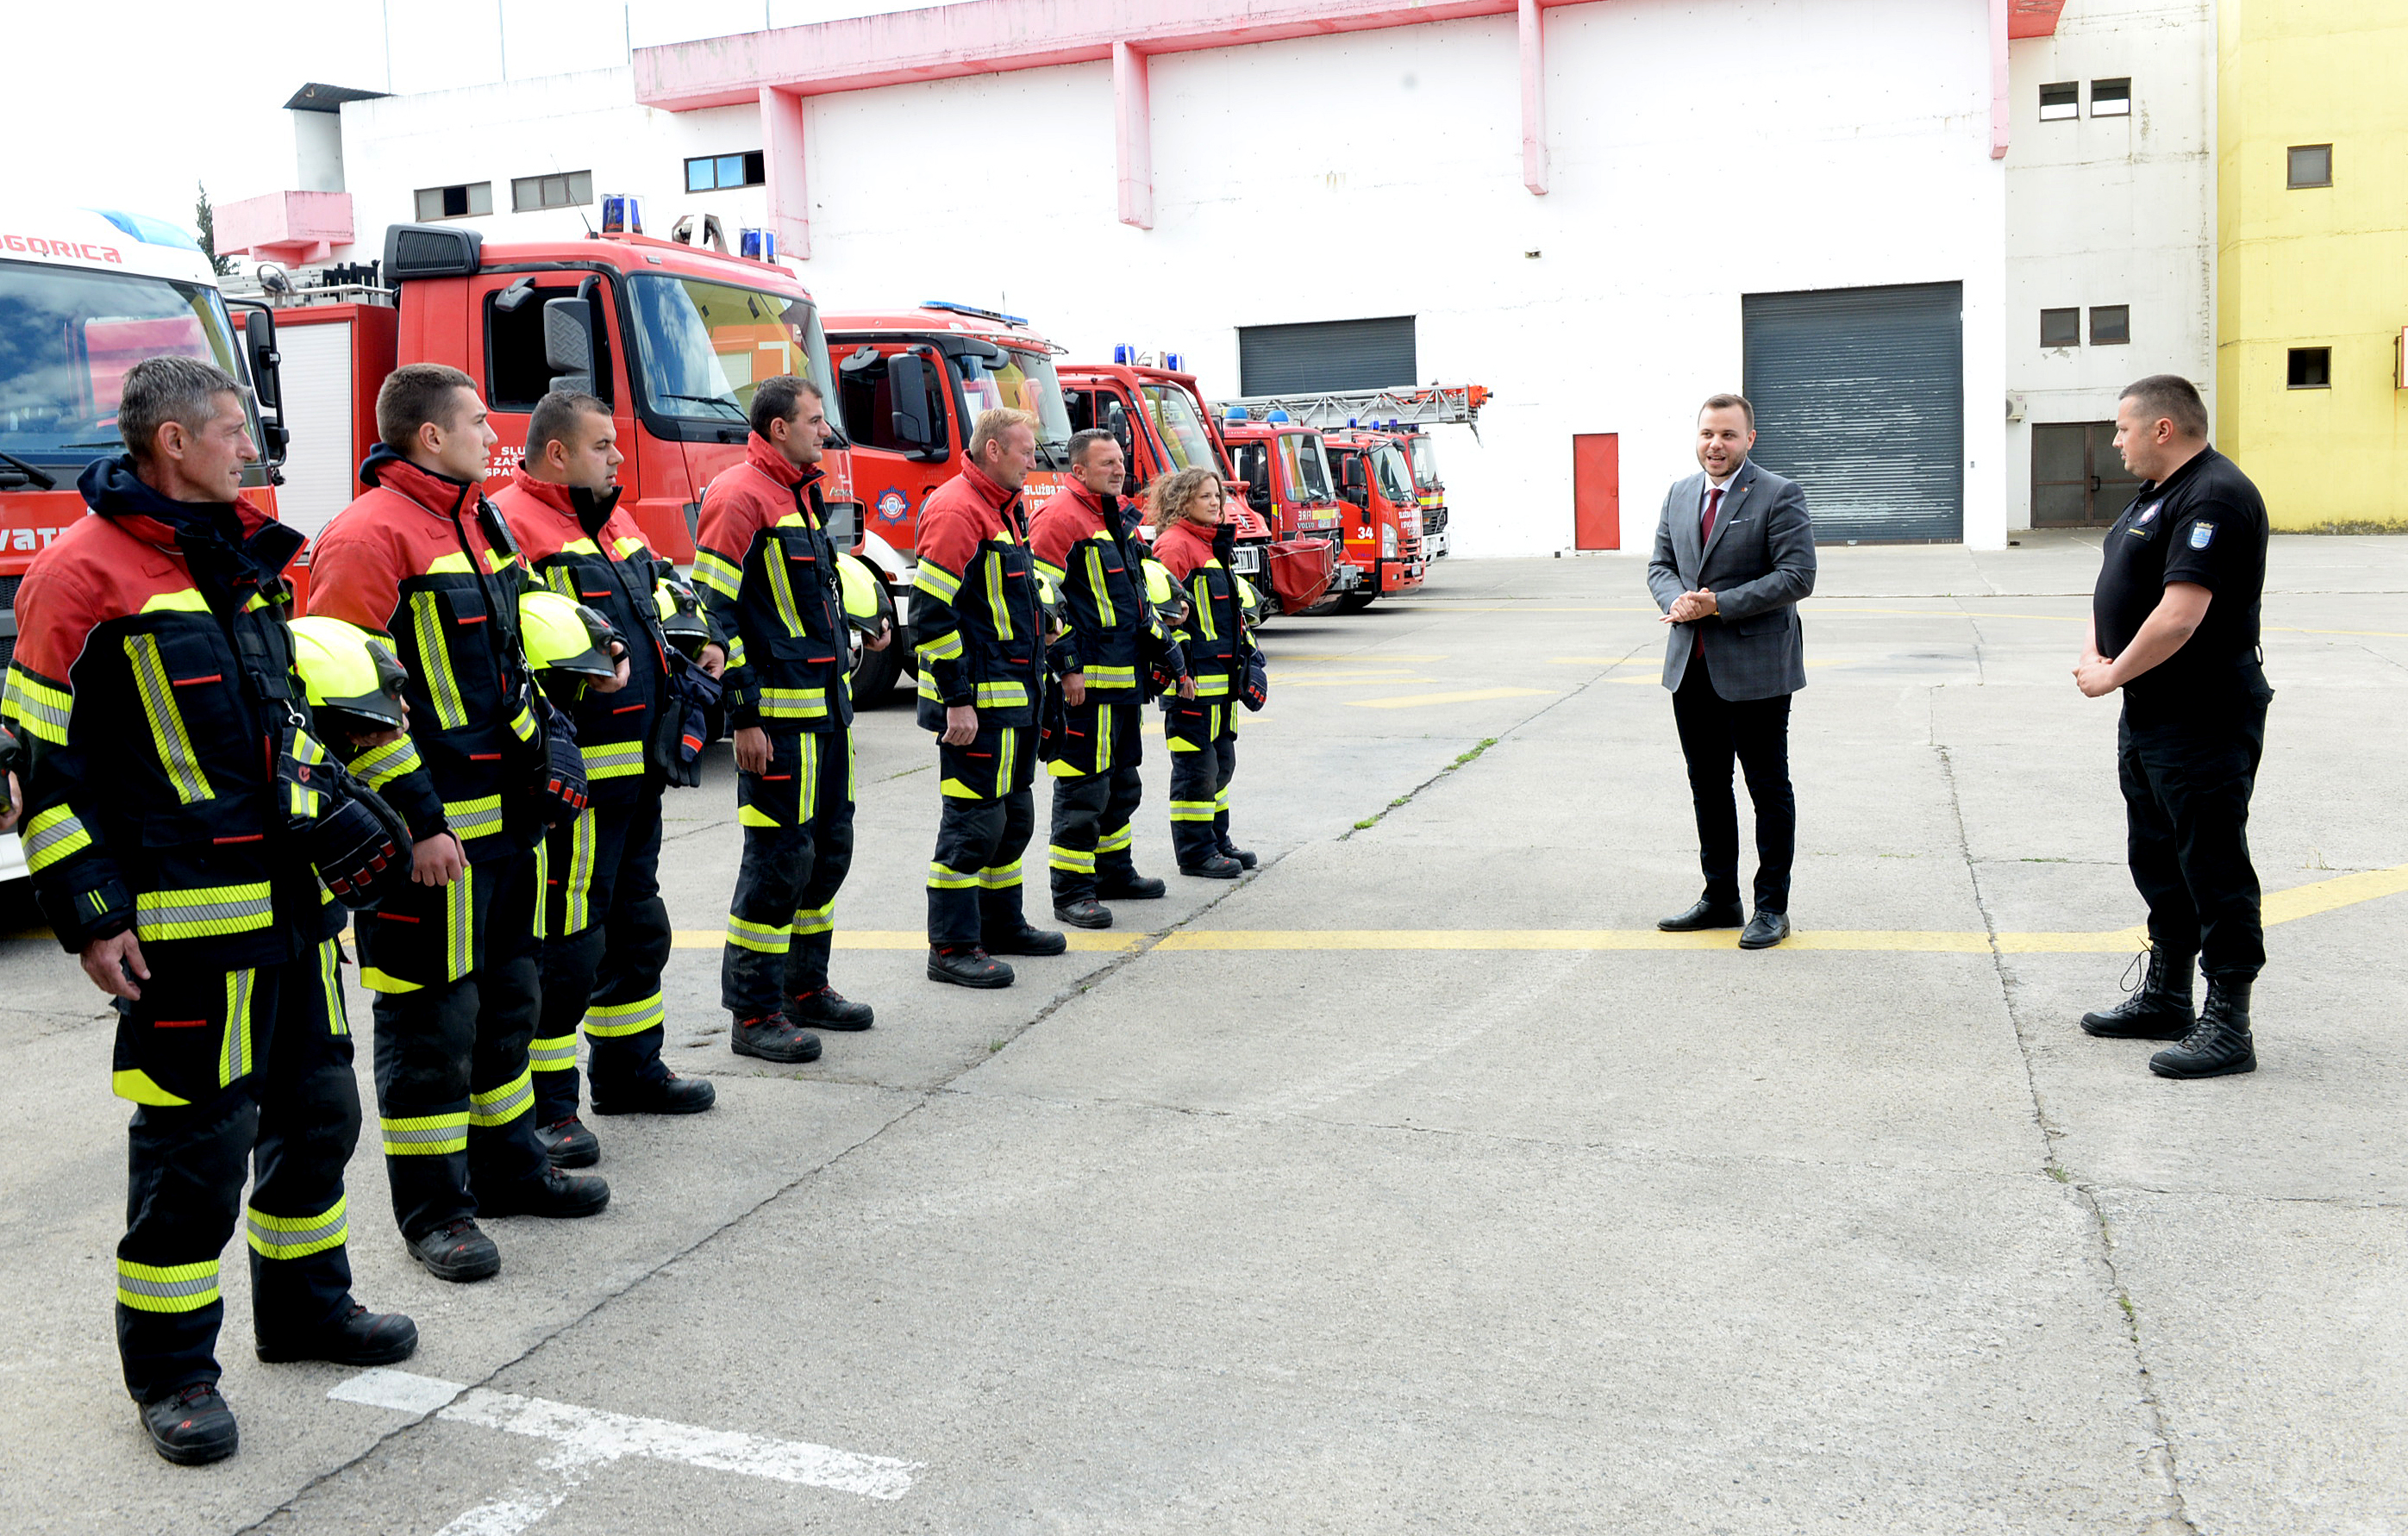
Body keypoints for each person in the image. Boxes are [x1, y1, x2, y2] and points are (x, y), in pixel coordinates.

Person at [4, 357, 416, 1465]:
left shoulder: (247, 563)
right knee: (194, 1157)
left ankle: (306, 1311)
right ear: (172, 443)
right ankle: (175, 1374)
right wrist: (91, 914)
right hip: (186, 934)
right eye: (232, 430)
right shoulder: (78, 577)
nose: (249, 447)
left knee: (321, 1118)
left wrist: (346, 803)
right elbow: (40, 768)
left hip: (293, 916)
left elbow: (283, 721)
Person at [308, 363, 609, 1287]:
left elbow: (511, 660)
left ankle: (508, 1169)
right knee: (430, 1029)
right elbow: (349, 708)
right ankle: (436, 1213)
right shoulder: (367, 538)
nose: (496, 436)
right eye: (479, 422)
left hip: (505, 833)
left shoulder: (480, 521)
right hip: (430, 846)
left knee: (507, 1007)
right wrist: (420, 824)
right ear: (429, 437)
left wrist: (551, 737)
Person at [495, 392, 722, 1167]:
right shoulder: (512, 528)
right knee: (568, 946)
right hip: (576, 790)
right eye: (603, 447)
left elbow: (662, 602)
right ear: (556, 453)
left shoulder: (614, 521)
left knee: (636, 929)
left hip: (638, 775)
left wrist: (701, 646)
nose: (618, 460)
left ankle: (628, 1073)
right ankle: (550, 1110)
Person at [2073, 374, 2273, 1079]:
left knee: (2211, 861)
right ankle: (2166, 994)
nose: (2115, 440)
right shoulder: (2158, 494)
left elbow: (2181, 612)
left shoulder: (2212, 493)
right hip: (2153, 710)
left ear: (2162, 428)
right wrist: (2101, 647)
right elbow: (2129, 582)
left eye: (2123, 427)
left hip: (2202, 712)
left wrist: (2110, 671)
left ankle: (2228, 1023)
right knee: (2157, 856)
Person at [693, 375, 887, 1056]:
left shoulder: (799, 494)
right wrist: (742, 713)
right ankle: (752, 1013)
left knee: (827, 853)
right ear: (778, 428)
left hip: (827, 715)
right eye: (812, 422)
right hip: (776, 722)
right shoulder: (740, 494)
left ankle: (805, 989)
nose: (824, 433)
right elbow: (713, 612)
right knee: (778, 862)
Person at [1646, 392, 1816, 949]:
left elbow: (1795, 577)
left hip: (1756, 668)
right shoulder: (1678, 494)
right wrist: (1678, 600)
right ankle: (1720, 897)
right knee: (1707, 787)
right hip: (1690, 668)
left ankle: (1771, 908)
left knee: (1766, 788)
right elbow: (1660, 566)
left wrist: (1715, 603)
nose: (1714, 445)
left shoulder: (1777, 494)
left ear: (1748, 439)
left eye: (1726, 435)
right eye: (1706, 434)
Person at [913, 407, 1075, 987]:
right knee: (972, 825)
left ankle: (1000, 926)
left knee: (1011, 821)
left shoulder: (1003, 510)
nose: (1034, 461)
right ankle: (952, 947)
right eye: (1025, 451)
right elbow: (930, 615)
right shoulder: (959, 509)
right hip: (975, 709)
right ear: (991, 451)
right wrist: (956, 698)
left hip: (1014, 702)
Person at [1030, 427, 1191, 927]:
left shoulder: (1116, 517)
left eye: (1120, 461)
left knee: (1122, 785)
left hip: (1124, 682)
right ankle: (1073, 891)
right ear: (1078, 471)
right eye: (1107, 464)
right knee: (1083, 790)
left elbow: (1133, 599)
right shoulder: (1059, 518)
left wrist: (1163, 648)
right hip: (1088, 689)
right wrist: (1068, 668)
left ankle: (1113, 872)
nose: (1119, 469)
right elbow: (1044, 602)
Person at [1146, 465, 1256, 878]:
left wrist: (1250, 660)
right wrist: (1181, 672)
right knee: (1196, 770)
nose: (1215, 503)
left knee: (1220, 764)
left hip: (1221, 685)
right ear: (1182, 502)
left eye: (1217, 497)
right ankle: (1195, 853)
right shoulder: (1175, 546)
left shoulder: (1210, 545)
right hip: (1193, 685)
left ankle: (1217, 841)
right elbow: (1168, 619)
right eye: (1206, 496)